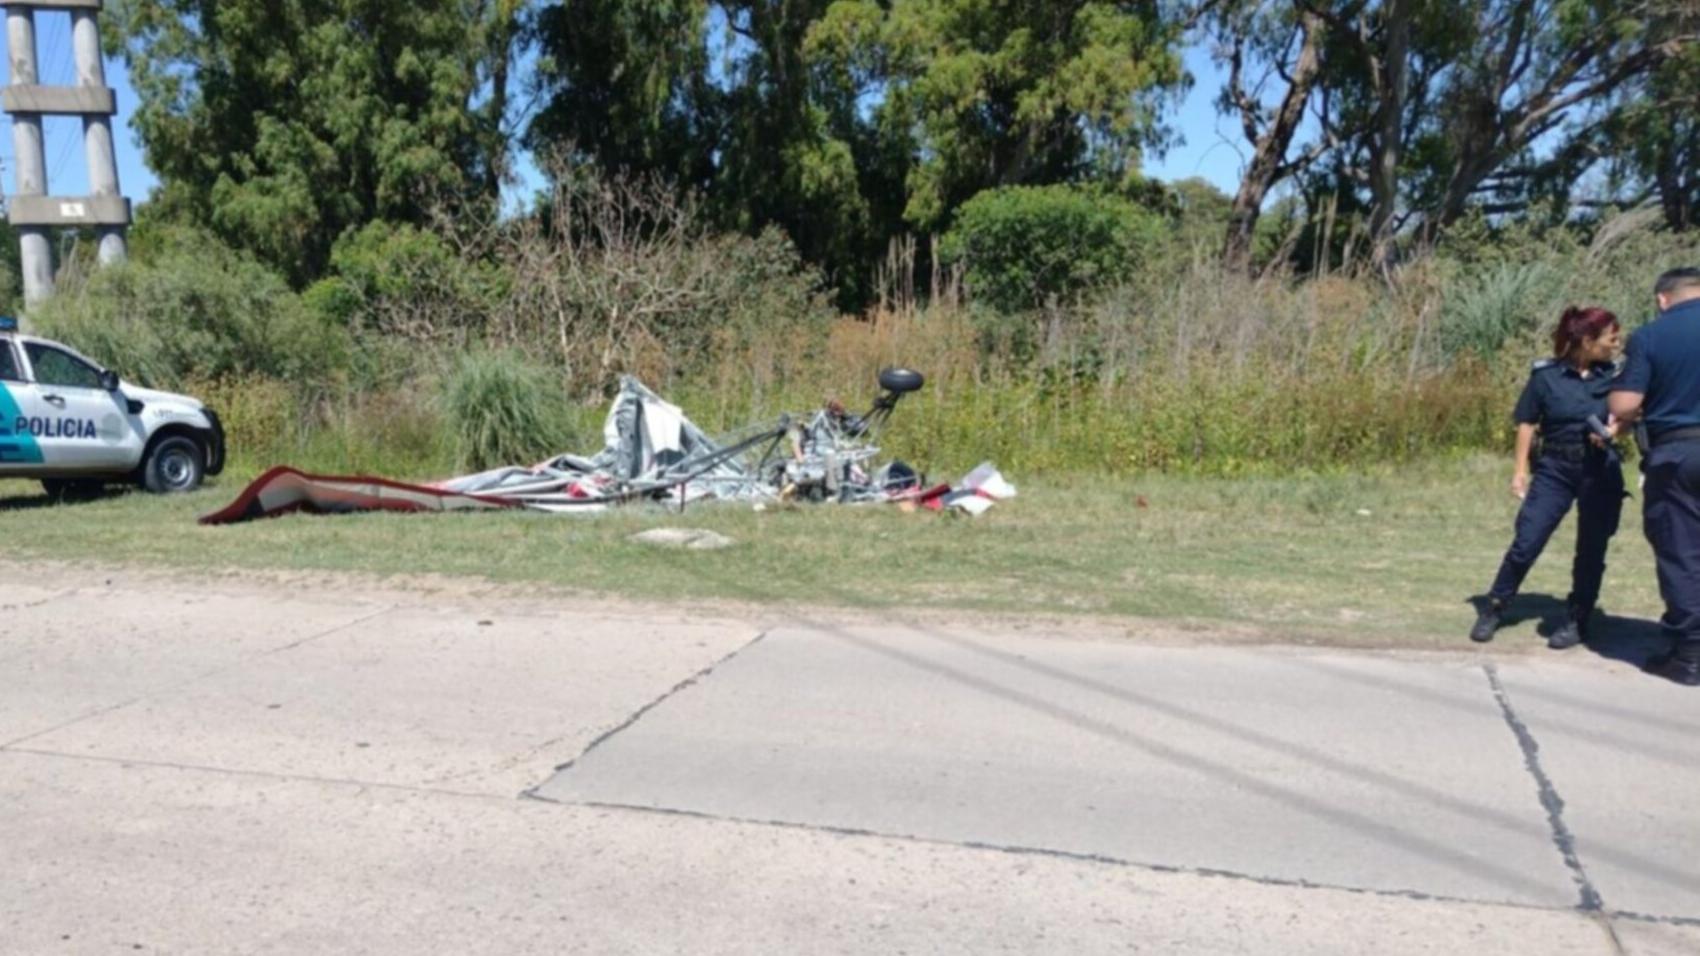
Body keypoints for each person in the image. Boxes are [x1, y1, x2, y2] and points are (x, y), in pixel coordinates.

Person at [1471, 306, 1625, 648]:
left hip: (1599, 469)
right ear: (1587, 340)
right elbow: (1527, 421)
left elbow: (1630, 414)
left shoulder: (1615, 375)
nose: (1617, 344)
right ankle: (1495, 606)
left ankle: (1578, 617)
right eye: (1610, 338)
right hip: (1555, 467)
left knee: (1591, 548)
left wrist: (1616, 430)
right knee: (1527, 541)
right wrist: (1519, 470)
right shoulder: (1545, 376)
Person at [1609, 267, 1700, 686]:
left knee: (1681, 551)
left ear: (1664, 298)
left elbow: (1625, 405)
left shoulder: (1650, 336)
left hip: (1678, 453)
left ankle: (1690, 656)